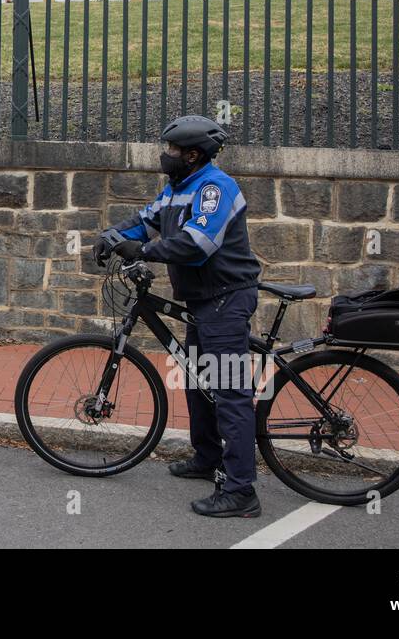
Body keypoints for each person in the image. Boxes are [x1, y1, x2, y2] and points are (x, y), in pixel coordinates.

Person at [94, 114, 263, 518]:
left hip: (226, 300)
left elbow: (198, 243)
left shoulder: (215, 188)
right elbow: (143, 222)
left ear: (192, 154)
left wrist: (146, 252)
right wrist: (111, 236)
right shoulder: (176, 190)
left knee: (229, 395)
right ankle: (208, 459)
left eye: (172, 150)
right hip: (204, 302)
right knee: (198, 383)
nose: (165, 156)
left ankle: (242, 493)